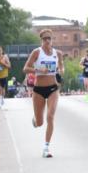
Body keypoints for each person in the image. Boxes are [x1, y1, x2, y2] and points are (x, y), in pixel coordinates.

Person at [23, 29, 64, 158]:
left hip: (53, 88)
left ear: (52, 39)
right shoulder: (36, 52)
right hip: (39, 90)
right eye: (44, 38)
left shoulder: (58, 53)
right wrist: (38, 69)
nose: (47, 41)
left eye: (49, 38)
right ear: (41, 40)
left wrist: (61, 70)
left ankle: (46, 147)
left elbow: (62, 66)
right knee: (40, 122)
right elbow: (25, 69)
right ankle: (35, 120)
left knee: (50, 117)